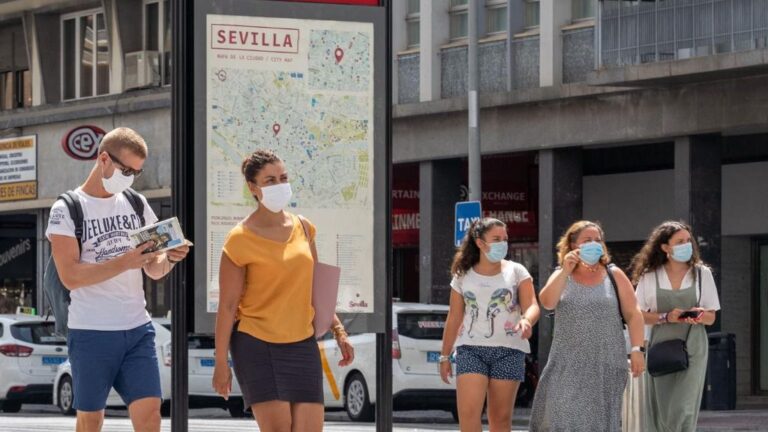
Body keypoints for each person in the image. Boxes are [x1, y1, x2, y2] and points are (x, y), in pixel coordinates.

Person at [47, 127, 189, 432]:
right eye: (125, 170)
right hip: (91, 331)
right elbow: (70, 276)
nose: (130, 178)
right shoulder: (67, 209)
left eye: (136, 173)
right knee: (91, 419)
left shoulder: (135, 203)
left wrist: (170, 259)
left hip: (138, 329)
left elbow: (153, 268)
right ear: (103, 159)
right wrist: (126, 261)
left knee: (151, 414)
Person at [213, 149, 354, 432]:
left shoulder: (303, 227)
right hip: (256, 343)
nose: (280, 185)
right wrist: (220, 363)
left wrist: (339, 332)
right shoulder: (239, 239)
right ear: (253, 188)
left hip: (302, 343)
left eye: (283, 177)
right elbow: (228, 306)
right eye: (270, 180)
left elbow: (316, 287)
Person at [530, 220, 645, 432]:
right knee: (566, 420)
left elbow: (634, 313)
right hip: (568, 364)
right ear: (573, 245)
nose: (594, 244)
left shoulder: (613, 274)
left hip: (606, 362)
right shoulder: (561, 274)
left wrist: (638, 349)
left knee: (600, 424)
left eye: (597, 240)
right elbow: (547, 302)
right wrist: (565, 270)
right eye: (587, 240)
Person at [439, 218, 540, 432]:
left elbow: (532, 304)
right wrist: (445, 355)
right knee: (468, 416)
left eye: (505, 239)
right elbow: (454, 316)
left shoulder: (517, 271)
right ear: (480, 242)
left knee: (500, 419)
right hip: (470, 349)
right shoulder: (463, 275)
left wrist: (526, 320)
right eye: (496, 239)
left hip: (509, 350)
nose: (503, 243)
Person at [630, 221, 720, 432]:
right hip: (661, 345)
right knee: (662, 407)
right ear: (665, 247)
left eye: (688, 241)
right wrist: (666, 316)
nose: (686, 245)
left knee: (683, 408)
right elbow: (637, 315)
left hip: (694, 345)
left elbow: (712, 317)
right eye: (680, 241)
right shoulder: (649, 276)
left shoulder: (701, 274)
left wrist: (698, 315)